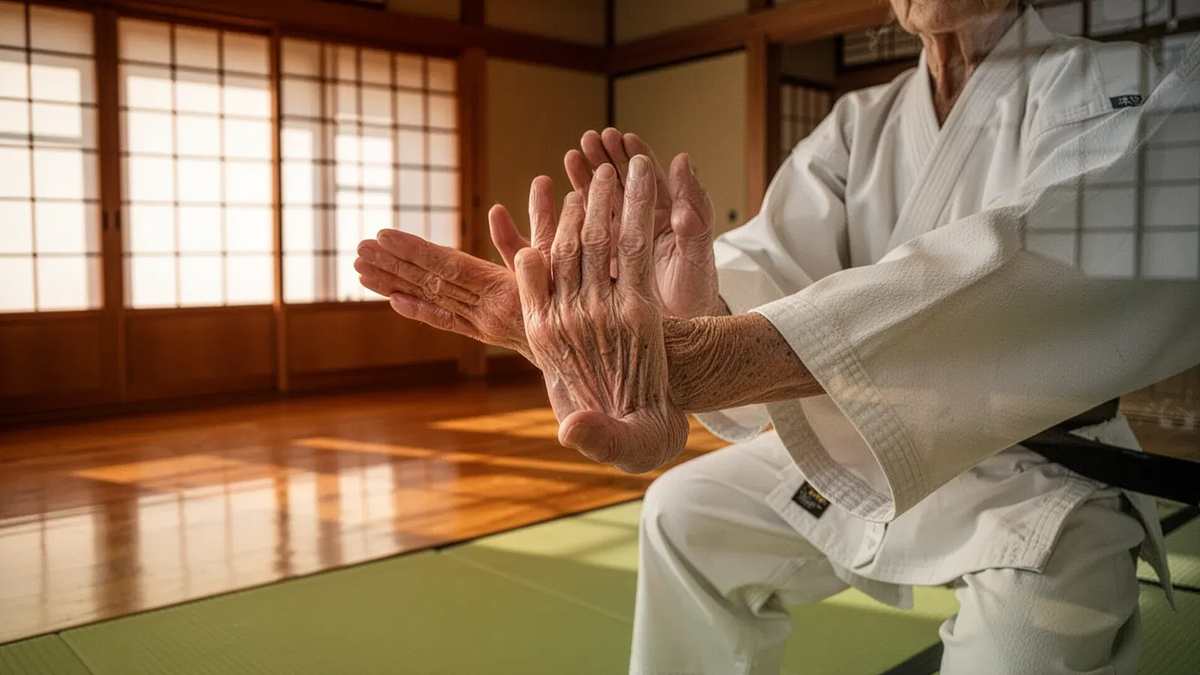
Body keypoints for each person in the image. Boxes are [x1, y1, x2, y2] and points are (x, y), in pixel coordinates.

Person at [354, 1, 1200, 672]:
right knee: (683, 511)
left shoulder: (1112, 81)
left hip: (1043, 469)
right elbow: (774, 260)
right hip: (864, 441)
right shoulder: (860, 123)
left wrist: (691, 361)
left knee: (1025, 643)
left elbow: (1044, 262)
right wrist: (681, 308)